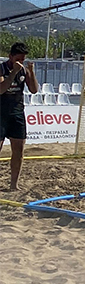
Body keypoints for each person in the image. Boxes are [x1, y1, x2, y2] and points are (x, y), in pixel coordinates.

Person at [0, 42, 39, 191]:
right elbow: (1, 89)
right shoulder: (2, 68)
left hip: (17, 113)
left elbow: (34, 90)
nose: (20, 62)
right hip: (1, 113)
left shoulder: (24, 70)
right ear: (10, 56)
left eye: (22, 60)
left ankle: (13, 185)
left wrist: (31, 72)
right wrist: (13, 73)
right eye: (18, 59)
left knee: (19, 150)